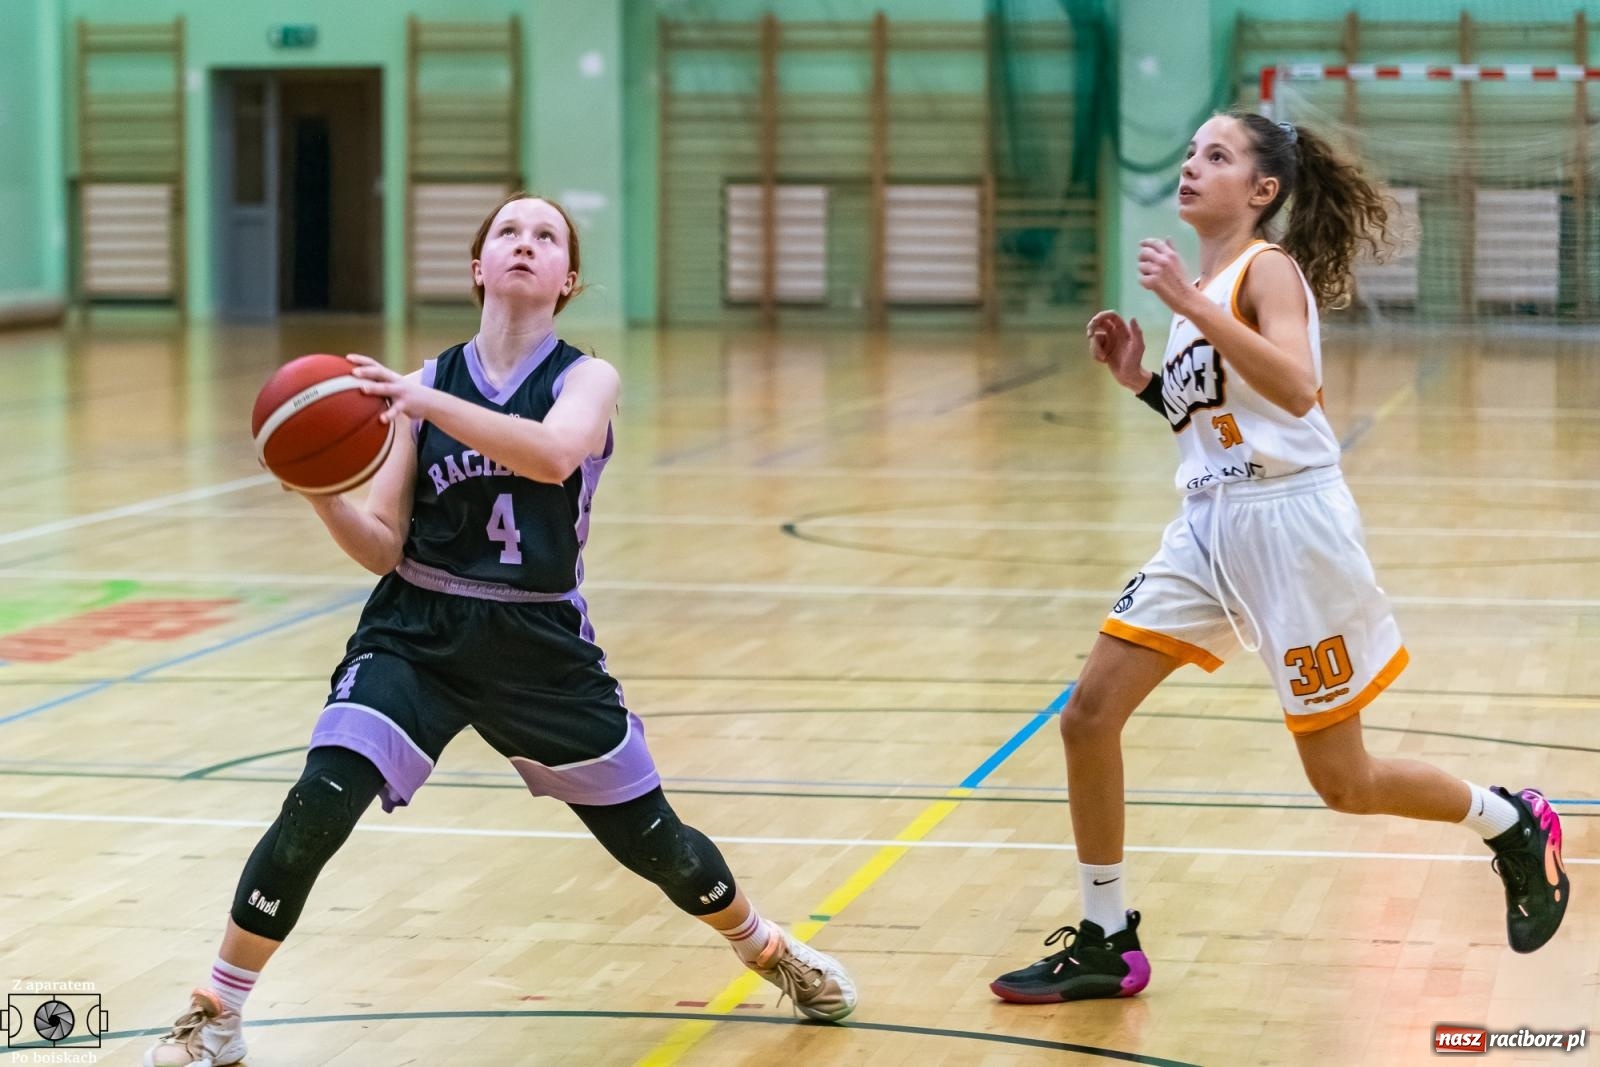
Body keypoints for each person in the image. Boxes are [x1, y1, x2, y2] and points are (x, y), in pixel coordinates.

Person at [145, 192, 856, 1066]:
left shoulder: (583, 379)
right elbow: (382, 546)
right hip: (417, 629)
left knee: (660, 848)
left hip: (538, 640)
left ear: (567, 279)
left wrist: (420, 401)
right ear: (479, 267)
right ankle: (218, 1010)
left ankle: (767, 948)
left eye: (546, 236)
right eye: (508, 232)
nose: (526, 243)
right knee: (317, 802)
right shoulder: (423, 386)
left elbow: (552, 454)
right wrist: (321, 493)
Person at [988, 111, 1569, 1005]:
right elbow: (1223, 421)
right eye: (1191, 152)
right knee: (1087, 716)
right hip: (1208, 528)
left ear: (1262, 190)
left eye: (1215, 155)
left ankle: (1511, 819)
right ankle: (1107, 937)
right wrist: (1143, 381)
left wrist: (1187, 306)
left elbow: (1296, 388)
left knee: (1346, 782)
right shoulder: (1207, 287)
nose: (1191, 165)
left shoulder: (1268, 271)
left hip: (1293, 532)